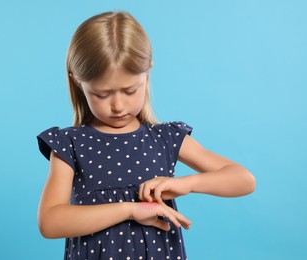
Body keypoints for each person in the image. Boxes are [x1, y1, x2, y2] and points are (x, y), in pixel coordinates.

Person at [36, 11, 255, 260]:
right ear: (78, 83)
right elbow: (50, 222)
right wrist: (130, 210)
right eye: (102, 94)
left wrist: (186, 184)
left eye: (130, 90)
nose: (118, 105)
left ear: (147, 73)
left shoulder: (165, 138)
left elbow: (243, 180)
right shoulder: (70, 144)